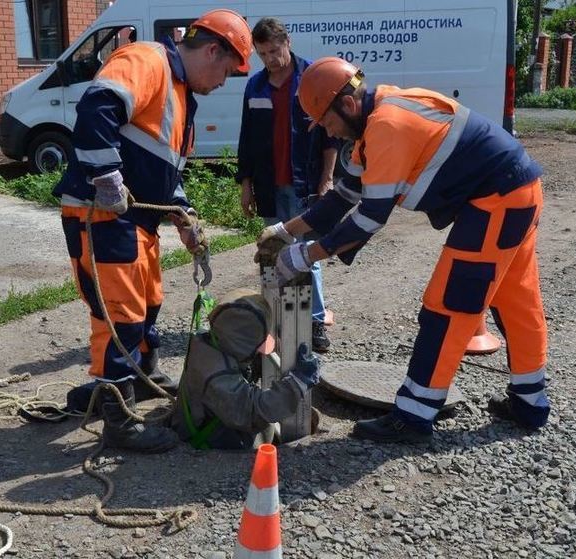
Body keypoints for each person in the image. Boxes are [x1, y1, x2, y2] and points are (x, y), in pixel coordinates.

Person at [257, 57, 550, 443]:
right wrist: (285, 230)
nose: (332, 134)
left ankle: (413, 416)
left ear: (345, 104)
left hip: (497, 202)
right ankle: (531, 403)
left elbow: (370, 219)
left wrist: (305, 255)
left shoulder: (387, 126)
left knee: (449, 306)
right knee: (516, 300)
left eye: (328, 124)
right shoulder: (376, 117)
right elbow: (341, 200)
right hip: (516, 193)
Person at [53, 9, 253, 452]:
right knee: (120, 317)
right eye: (226, 69)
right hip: (101, 216)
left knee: (149, 304)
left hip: (134, 219)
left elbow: (166, 172)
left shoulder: (182, 97)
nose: (225, 81)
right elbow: (97, 105)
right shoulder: (148, 60)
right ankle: (119, 419)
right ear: (212, 50)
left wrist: (182, 214)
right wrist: (106, 178)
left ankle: (141, 376)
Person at [236, 17, 338, 353]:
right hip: (269, 186)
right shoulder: (255, 87)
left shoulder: (312, 79)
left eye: (275, 51)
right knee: (272, 252)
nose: (270, 59)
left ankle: (316, 321)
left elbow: (329, 137)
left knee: (308, 253)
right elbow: (247, 140)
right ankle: (277, 321)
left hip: (305, 183)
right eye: (263, 53)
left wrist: (326, 179)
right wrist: (245, 184)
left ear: (288, 42)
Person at [171, 288, 320, 450]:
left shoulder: (216, 340)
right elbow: (253, 412)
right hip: (211, 440)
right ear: (242, 346)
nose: (258, 352)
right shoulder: (218, 379)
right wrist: (297, 383)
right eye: (255, 347)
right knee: (257, 429)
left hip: (216, 417)